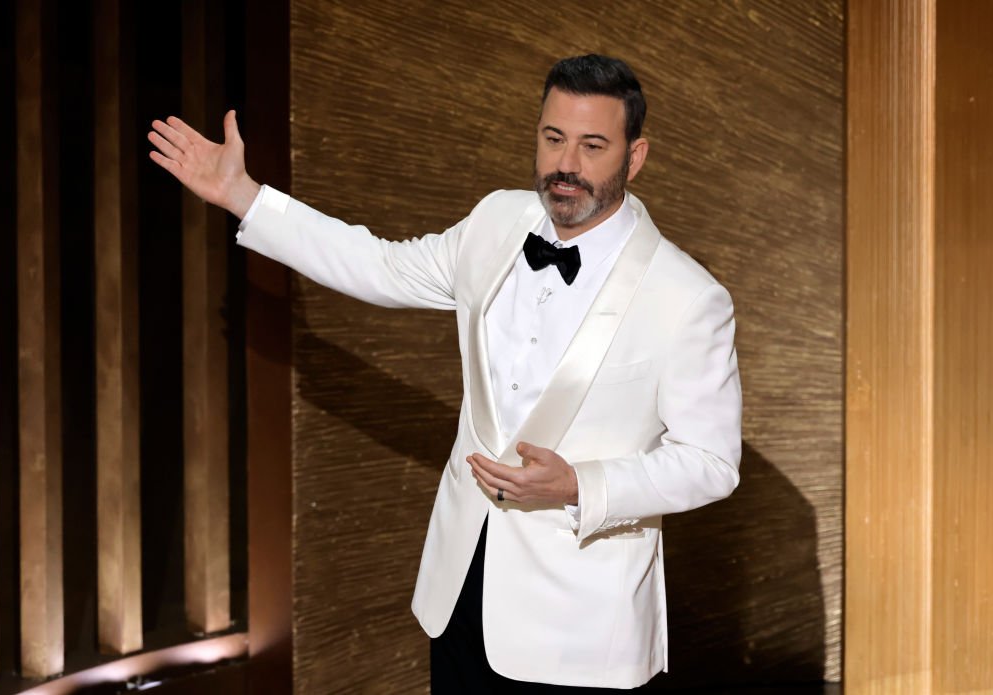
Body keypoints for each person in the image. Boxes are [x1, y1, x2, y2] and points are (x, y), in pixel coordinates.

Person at [149, 54, 741, 693]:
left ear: (636, 155)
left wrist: (579, 485)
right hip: (461, 592)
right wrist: (243, 196)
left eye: (593, 145)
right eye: (553, 138)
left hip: (582, 629)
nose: (567, 164)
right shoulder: (497, 220)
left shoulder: (687, 297)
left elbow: (712, 462)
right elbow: (379, 265)